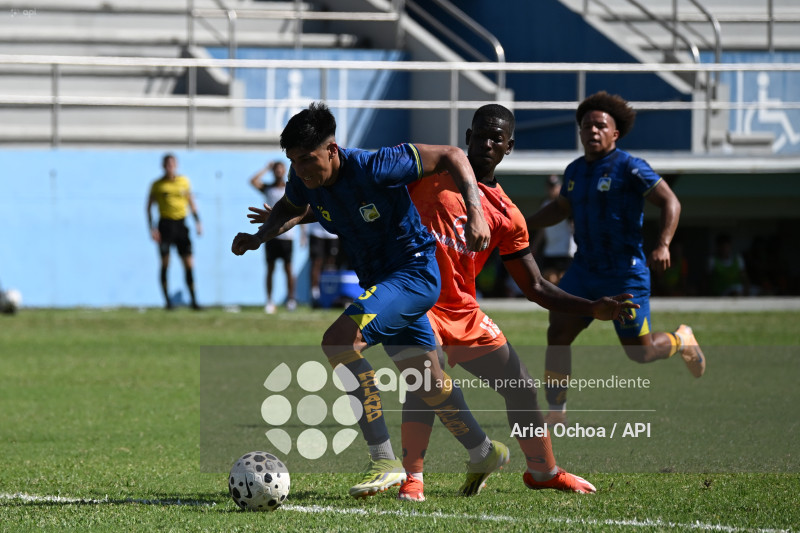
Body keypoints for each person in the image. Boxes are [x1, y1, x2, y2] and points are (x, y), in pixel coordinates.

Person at [232, 102, 508, 500]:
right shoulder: (304, 179)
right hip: (383, 284)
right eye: (294, 161)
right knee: (427, 380)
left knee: (338, 342)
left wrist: (475, 211)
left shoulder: (377, 165)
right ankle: (483, 451)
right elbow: (291, 207)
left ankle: (383, 459)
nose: (301, 170)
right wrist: (261, 236)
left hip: (413, 274)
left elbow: (452, 154)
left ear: (332, 149)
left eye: (308, 159)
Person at [397, 104, 637, 501]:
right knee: (426, 375)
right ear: (468, 137)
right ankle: (413, 477)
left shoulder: (507, 214)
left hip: (463, 311)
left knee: (521, 385)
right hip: (417, 301)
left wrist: (591, 307)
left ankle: (543, 471)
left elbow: (536, 286)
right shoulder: (429, 172)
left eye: (497, 138)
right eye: (480, 135)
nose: (487, 143)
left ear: (509, 146)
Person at [526, 91, 706, 425]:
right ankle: (556, 411)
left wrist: (663, 244)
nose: (592, 131)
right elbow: (560, 209)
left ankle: (681, 339)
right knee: (558, 333)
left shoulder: (631, 167)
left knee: (641, 353)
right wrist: (522, 223)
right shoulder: (574, 171)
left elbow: (671, 202)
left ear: (615, 133)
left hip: (624, 274)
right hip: (583, 271)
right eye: (587, 126)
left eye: (600, 126)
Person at [147, 153, 202, 310]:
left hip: (181, 224)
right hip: (165, 225)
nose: (170, 167)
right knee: (165, 262)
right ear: (163, 166)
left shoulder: (184, 181)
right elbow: (149, 207)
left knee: (188, 263)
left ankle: (194, 301)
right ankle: (168, 302)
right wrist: (152, 228)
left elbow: (191, 202)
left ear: (176, 165)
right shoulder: (157, 185)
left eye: (172, 164)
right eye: (167, 164)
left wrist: (198, 222)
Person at [250, 160, 302, 313]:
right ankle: (269, 301)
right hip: (271, 236)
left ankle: (291, 299)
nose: (278, 171)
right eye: (276, 169)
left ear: (284, 171)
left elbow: (301, 211)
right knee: (270, 268)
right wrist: (266, 168)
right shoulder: (268, 188)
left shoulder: (289, 189)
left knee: (288, 268)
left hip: (288, 236)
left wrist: (303, 233)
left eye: (281, 169)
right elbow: (253, 181)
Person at [531, 174, 576, 285]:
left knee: (563, 278)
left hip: (566, 250)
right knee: (549, 278)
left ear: (560, 187)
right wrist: (535, 246)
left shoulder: (565, 204)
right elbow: (542, 228)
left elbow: (574, 225)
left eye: (554, 186)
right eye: (550, 186)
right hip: (550, 250)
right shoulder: (545, 204)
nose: (552, 189)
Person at [307, 221, 341, 307]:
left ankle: (329, 295)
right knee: (316, 263)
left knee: (331, 264)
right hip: (316, 232)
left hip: (333, 232)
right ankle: (315, 295)